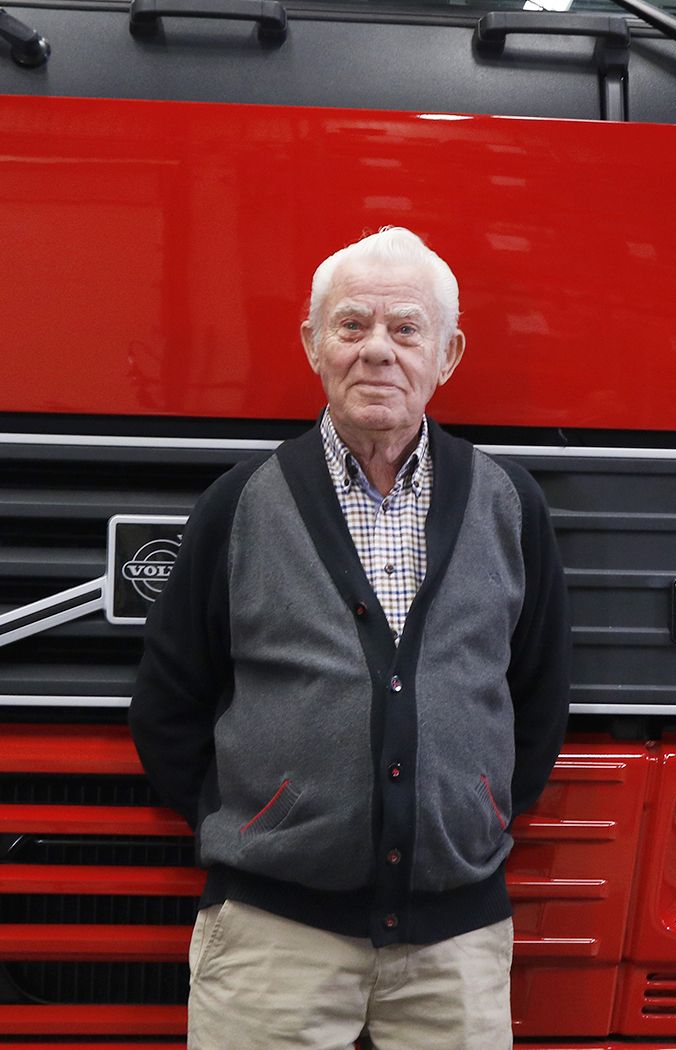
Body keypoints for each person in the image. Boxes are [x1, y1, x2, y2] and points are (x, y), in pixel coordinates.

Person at [128, 226, 572, 1049]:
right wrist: (266, 821)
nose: (378, 351)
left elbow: (539, 697)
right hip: (271, 939)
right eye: (352, 325)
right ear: (312, 345)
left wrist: (475, 810)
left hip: (457, 949)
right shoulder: (239, 503)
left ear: (448, 354)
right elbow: (168, 704)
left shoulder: (510, 504)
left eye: (405, 329)